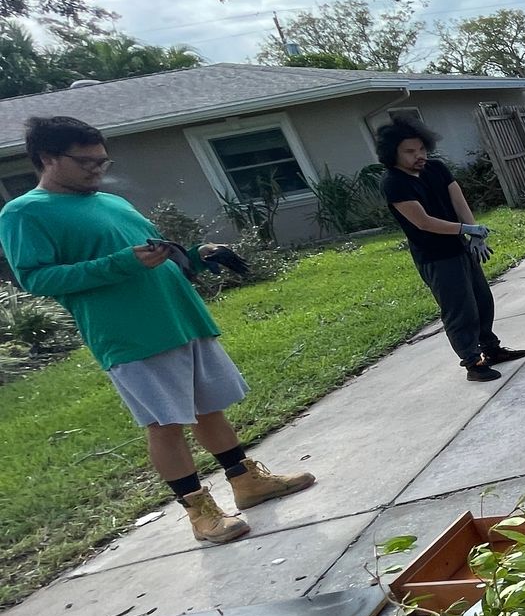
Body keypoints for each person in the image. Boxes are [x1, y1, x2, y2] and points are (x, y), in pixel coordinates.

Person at [0, 116, 315, 545]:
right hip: (130, 335)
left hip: (181, 318)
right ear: (47, 158)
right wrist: (122, 263)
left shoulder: (112, 202)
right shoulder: (24, 212)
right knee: (166, 423)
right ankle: (199, 512)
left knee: (209, 408)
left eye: (103, 161)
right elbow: (36, 278)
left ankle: (247, 482)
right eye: (86, 161)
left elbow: (156, 253)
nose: (97, 169)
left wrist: (198, 255)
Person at [374, 120, 525, 382]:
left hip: (462, 248)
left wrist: (474, 233)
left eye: (421, 148)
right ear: (393, 154)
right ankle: (473, 363)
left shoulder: (437, 169)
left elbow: (459, 201)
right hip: (436, 256)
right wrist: (465, 229)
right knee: (460, 309)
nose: (419, 156)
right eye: (410, 152)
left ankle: (491, 350)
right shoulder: (394, 183)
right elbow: (423, 222)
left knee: (482, 300)